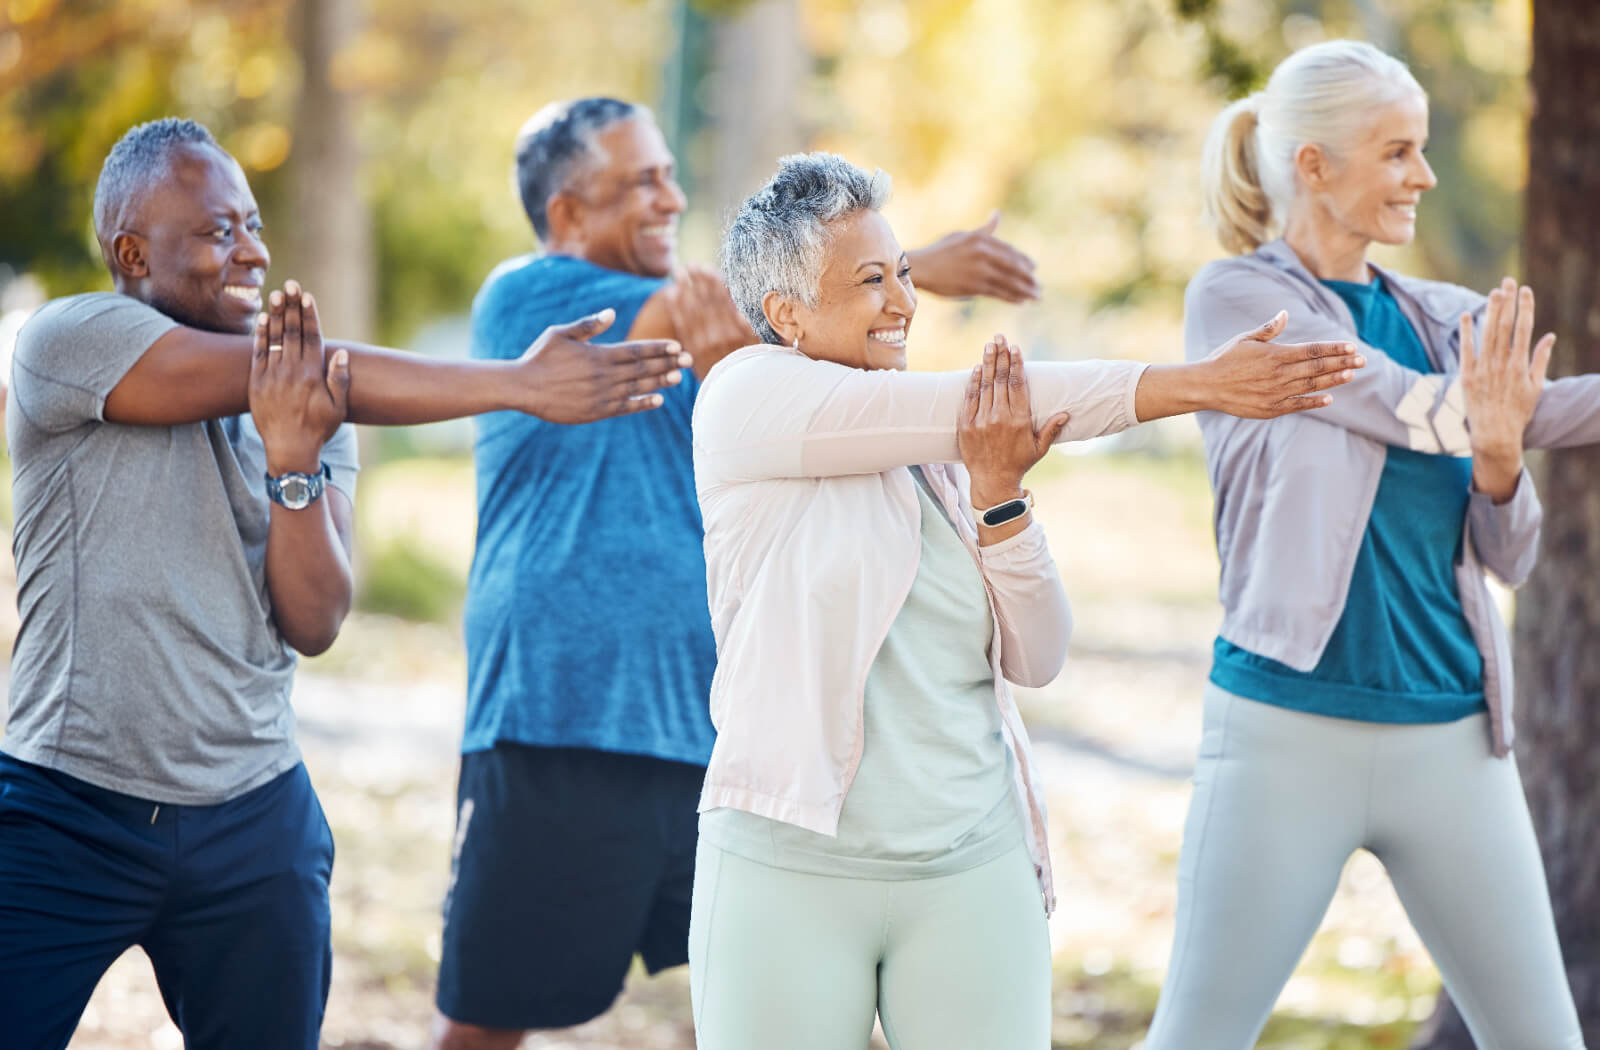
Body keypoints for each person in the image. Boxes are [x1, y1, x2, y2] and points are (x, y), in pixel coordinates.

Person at [0, 117, 689, 1050]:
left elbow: (315, 619)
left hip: (251, 816)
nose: (251, 250)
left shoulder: (318, 411)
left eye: (251, 224)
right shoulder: (70, 341)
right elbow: (306, 374)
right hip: (64, 806)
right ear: (132, 253)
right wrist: (515, 385)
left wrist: (294, 463)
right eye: (216, 232)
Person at [685, 151, 1363, 1050]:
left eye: (906, 274)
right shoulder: (744, 398)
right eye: (871, 280)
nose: (903, 302)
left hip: (971, 860)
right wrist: (1194, 383)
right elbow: (991, 401)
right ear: (785, 314)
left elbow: (1038, 657)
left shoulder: (936, 452)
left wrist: (1000, 497)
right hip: (787, 863)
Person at [431, 97, 1065, 1050]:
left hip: (714, 721)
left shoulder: (742, 345)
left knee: (741, 990)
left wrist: (889, 278)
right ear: (566, 213)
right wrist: (920, 263)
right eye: (641, 179)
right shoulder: (530, 298)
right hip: (561, 713)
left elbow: (794, 321)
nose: (670, 196)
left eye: (669, 175)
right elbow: (725, 310)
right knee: (493, 1016)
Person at [1147, 40, 1600, 1047]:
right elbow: (1398, 406)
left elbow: (1510, 550)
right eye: (1396, 152)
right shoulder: (1237, 305)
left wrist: (1498, 458)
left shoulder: (1450, 321)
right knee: (1196, 1037)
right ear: (1312, 164)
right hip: (1283, 733)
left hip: (1452, 741)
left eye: (1424, 151)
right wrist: (1495, 417)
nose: (1423, 178)